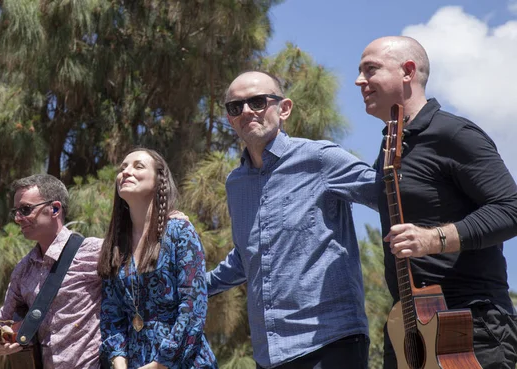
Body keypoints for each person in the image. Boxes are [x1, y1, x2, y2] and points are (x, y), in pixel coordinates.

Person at [355, 35, 517, 369]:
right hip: (409, 328)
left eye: (370, 70)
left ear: (407, 71)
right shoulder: (390, 146)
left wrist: (432, 239)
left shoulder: (452, 134)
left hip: (473, 322)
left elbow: (511, 207)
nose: (359, 81)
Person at [206, 71, 378, 369]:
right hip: (269, 353)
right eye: (236, 107)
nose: (246, 111)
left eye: (257, 102)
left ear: (283, 108)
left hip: (330, 341)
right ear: (231, 119)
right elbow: (246, 257)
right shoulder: (236, 183)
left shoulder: (321, 159)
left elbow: (391, 196)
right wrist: (194, 286)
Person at [98, 148, 217, 369]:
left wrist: (160, 365)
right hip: (133, 362)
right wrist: (119, 363)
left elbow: (192, 308)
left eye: (138, 166)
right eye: (122, 167)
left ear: (158, 180)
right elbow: (111, 314)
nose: (126, 172)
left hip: (181, 362)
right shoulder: (115, 245)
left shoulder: (180, 231)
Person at [0, 174, 103, 368]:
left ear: (54, 209)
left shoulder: (93, 251)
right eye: (16, 211)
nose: (18, 218)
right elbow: (0, 323)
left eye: (26, 209)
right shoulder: (23, 269)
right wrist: (0, 340)